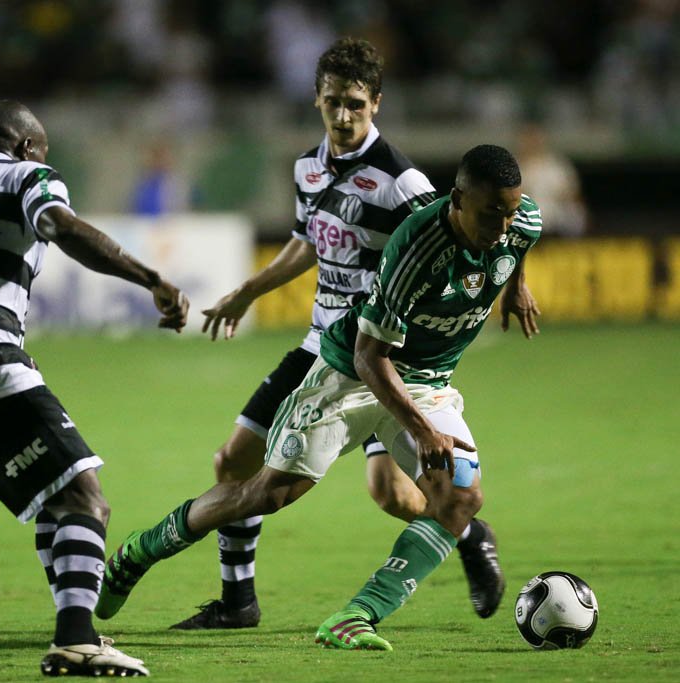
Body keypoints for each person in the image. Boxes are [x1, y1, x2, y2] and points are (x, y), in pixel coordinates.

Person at [95, 144, 542, 652]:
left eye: (509, 212)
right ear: (458, 198)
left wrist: (515, 287)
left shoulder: (521, 221)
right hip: (349, 371)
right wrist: (421, 430)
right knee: (266, 492)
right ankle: (139, 552)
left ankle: (357, 616)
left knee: (459, 497)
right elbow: (369, 357)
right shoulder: (418, 248)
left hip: (426, 382)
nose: (502, 226)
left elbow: (517, 245)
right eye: (491, 214)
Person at [172, 37, 509, 631]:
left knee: (394, 496)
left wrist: (491, 297)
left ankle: (469, 532)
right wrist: (250, 290)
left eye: (356, 103)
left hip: (382, 360)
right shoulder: (308, 167)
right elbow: (306, 242)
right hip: (319, 348)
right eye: (333, 102)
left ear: (376, 103)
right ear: (317, 100)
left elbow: (449, 245)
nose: (344, 115)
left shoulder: (403, 183)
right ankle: (237, 601)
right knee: (233, 462)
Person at [0, 101, 189, 677]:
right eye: (43, 149)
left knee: (54, 500)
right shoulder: (27, 176)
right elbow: (61, 226)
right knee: (85, 497)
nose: (46, 159)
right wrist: (150, 278)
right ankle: (75, 638)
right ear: (26, 146)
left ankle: (80, 627)